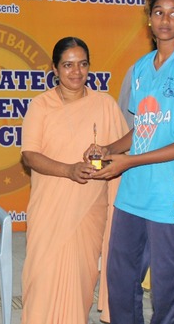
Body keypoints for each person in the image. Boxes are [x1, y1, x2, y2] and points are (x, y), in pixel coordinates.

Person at [86, 0, 174, 324]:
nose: (165, 20)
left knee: (168, 287)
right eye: (158, 12)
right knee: (121, 276)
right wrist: (109, 149)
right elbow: (143, 128)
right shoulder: (141, 68)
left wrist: (129, 161)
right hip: (135, 191)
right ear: (149, 19)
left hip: (170, 194)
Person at [21, 37, 128, 324]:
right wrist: (68, 170)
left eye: (82, 64)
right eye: (68, 65)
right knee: (41, 280)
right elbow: (30, 155)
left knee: (80, 282)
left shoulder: (105, 105)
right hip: (49, 209)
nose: (76, 72)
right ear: (54, 69)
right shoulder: (41, 106)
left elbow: (123, 149)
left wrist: (106, 155)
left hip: (90, 208)